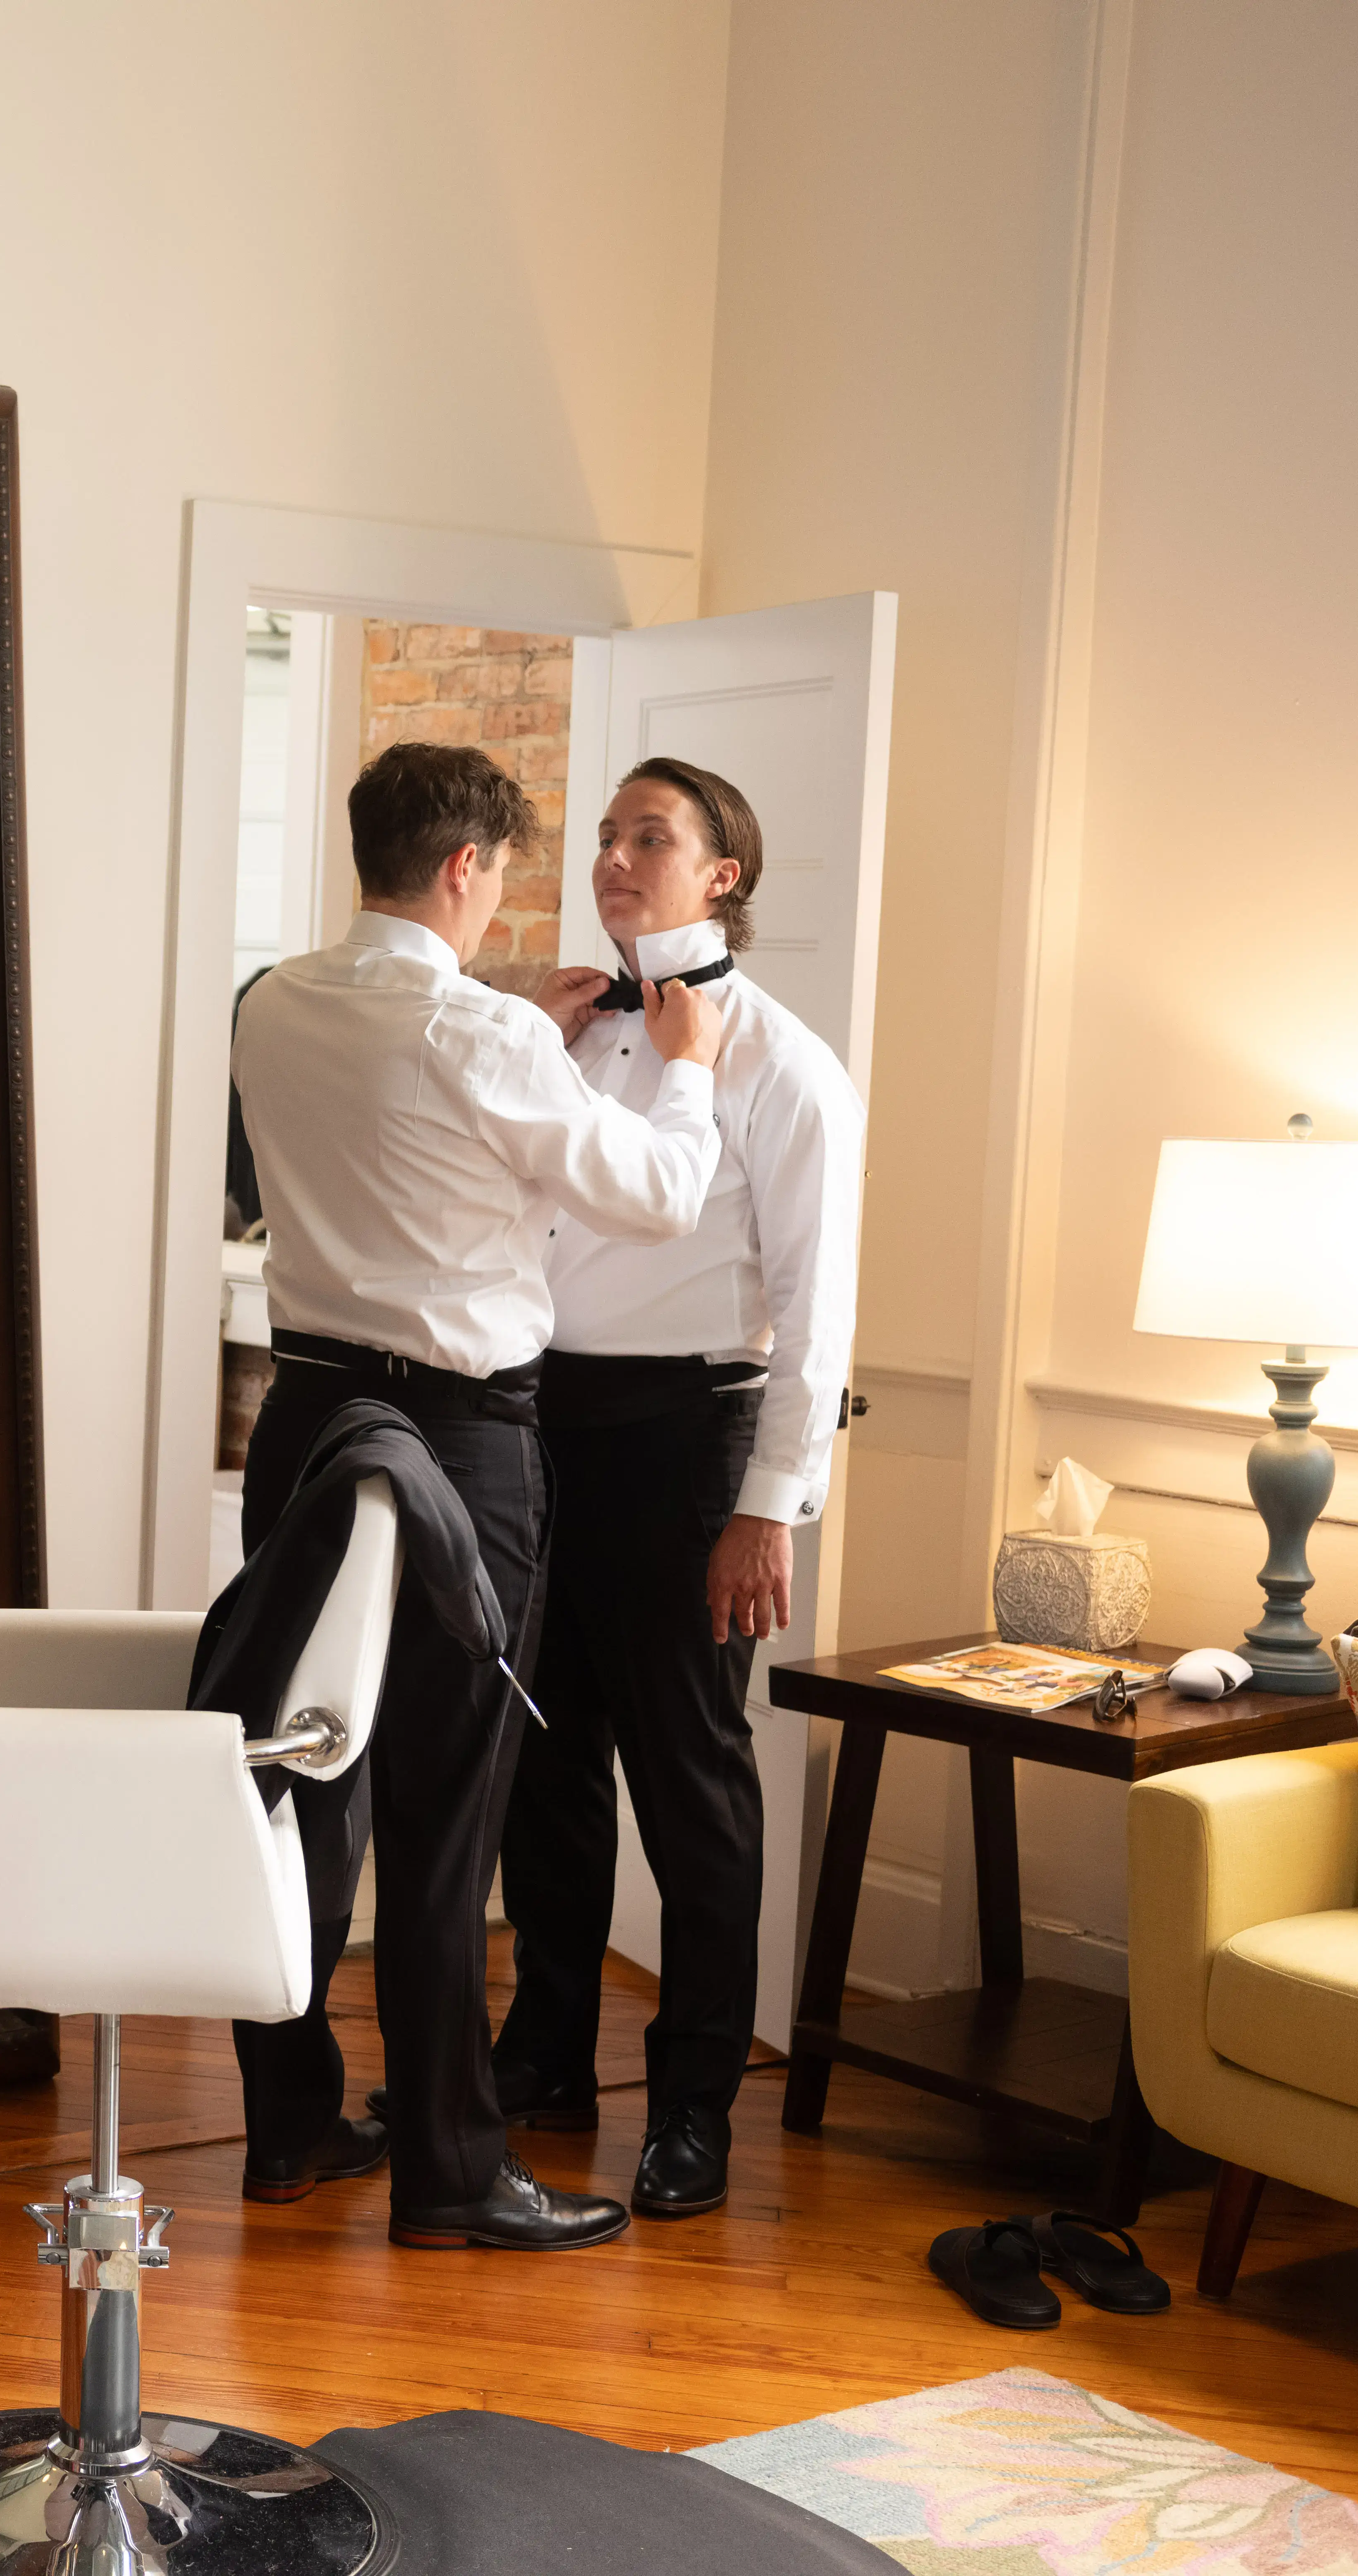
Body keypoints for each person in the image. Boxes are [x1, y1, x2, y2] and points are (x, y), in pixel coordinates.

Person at [225, 739, 724, 2251]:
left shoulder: (268, 1004)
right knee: (448, 1810)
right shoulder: (479, 1035)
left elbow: (390, 1099)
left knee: (298, 1778)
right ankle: (449, 2169)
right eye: (502, 871)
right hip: (455, 1437)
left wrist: (509, 1024)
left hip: (304, 1417)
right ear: (463, 868)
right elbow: (655, 1194)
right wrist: (686, 1068)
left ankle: (291, 2119)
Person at [491, 757, 864, 2221]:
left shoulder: (786, 1064)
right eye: (602, 837)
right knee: (545, 1770)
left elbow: (816, 1309)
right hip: (536, 1432)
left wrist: (766, 1503)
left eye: (649, 837)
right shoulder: (564, 1035)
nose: (613, 858)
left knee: (693, 1790)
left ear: (722, 875)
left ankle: (694, 2103)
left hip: (686, 1444)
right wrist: (523, 1036)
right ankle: (543, 2058)